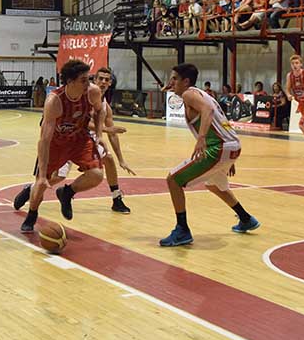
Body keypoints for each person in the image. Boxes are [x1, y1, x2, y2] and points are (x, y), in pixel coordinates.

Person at [159, 63, 259, 247]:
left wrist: (202, 138)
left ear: (186, 81)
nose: (170, 82)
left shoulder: (189, 93)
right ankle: (246, 219)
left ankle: (182, 230)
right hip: (230, 146)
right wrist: (228, 157)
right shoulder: (201, 94)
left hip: (219, 147)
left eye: (174, 78)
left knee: (173, 180)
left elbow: (209, 111)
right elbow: (220, 119)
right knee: (213, 184)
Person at [15, 67, 135, 214]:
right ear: (94, 80)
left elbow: (112, 133)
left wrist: (121, 159)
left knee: (108, 159)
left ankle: (116, 198)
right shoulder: (81, 95)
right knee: (58, 177)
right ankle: (31, 190)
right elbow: (83, 123)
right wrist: (105, 130)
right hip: (63, 138)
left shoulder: (104, 106)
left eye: (107, 80)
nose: (103, 82)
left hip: (83, 141)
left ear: (110, 83)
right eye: (100, 79)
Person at [17, 60, 105, 232]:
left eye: (89, 79)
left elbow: (100, 110)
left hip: (79, 139)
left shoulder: (92, 92)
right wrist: (42, 176)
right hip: (56, 144)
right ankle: (32, 214)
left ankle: (67, 193)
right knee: (42, 184)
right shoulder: (54, 101)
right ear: (70, 81)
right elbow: (44, 140)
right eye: (84, 80)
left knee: (96, 175)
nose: (89, 83)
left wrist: (100, 134)